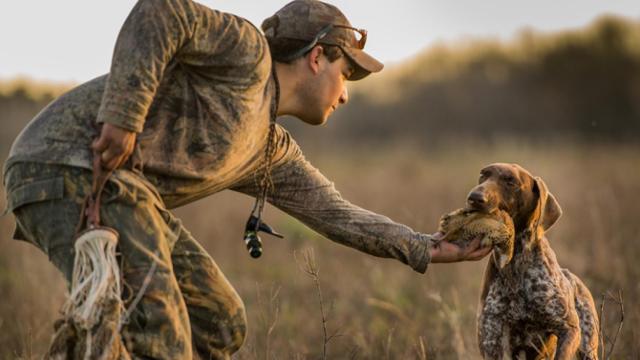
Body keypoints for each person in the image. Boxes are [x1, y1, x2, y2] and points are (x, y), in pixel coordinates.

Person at [3, 0, 491, 358]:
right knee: (161, 332)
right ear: (317, 56)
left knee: (219, 321)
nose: (345, 95)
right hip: (63, 166)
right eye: (348, 73)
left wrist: (424, 247)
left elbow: (336, 213)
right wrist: (125, 116)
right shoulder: (246, 55)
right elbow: (160, 11)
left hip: (122, 193)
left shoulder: (268, 150)